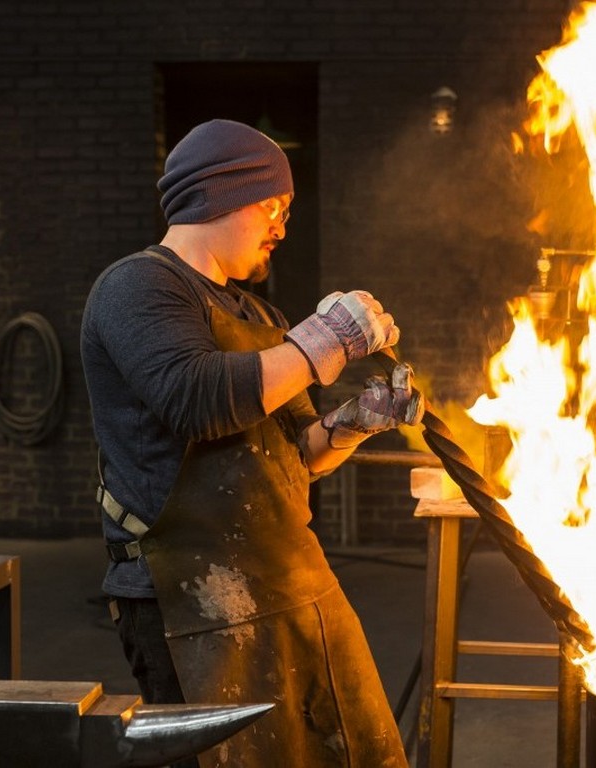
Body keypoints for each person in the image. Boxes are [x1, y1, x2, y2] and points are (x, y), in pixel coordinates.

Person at [80, 118, 420, 768]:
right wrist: (327, 341)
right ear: (220, 193)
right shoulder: (137, 287)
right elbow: (198, 399)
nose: (282, 228)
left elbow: (294, 457)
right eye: (274, 207)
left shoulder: (260, 316)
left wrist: (357, 419)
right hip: (190, 602)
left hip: (297, 587)